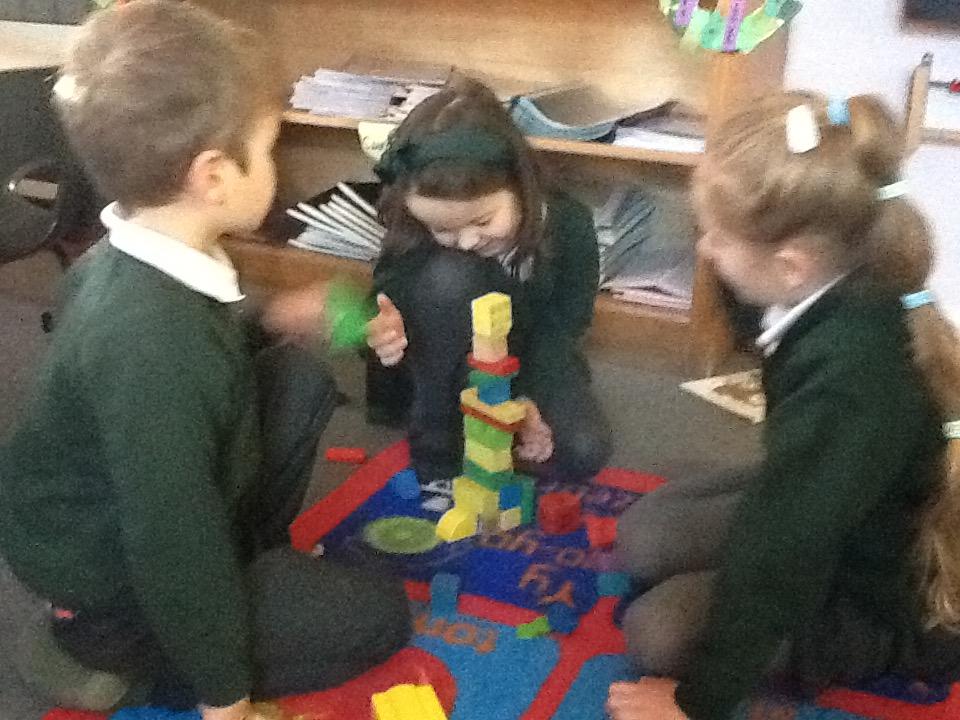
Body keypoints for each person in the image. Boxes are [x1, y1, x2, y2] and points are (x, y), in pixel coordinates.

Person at [0, 3, 410, 718]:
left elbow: (194, 350)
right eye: (269, 147)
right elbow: (171, 537)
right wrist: (227, 698)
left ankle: (243, 571)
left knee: (295, 378)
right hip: (117, 584)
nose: (275, 165)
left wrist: (274, 316)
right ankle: (98, 652)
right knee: (378, 617)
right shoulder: (149, 344)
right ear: (214, 175)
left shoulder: (132, 256)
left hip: (125, 512)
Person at [607, 93, 960, 720]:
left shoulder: (850, 379)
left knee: (655, 631)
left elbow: (782, 546)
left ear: (791, 265)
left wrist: (700, 701)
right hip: (839, 500)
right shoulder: (828, 280)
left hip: (879, 591)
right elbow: (790, 504)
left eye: (716, 237)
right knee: (643, 538)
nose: (704, 250)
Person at [367, 77, 612, 486]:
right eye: (442, 229)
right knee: (450, 276)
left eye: (482, 221)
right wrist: (381, 330)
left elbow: (566, 325)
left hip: (528, 351)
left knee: (583, 450)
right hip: (441, 364)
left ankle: (497, 431)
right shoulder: (416, 230)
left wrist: (523, 396)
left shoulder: (569, 222)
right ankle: (440, 451)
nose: (467, 241)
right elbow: (384, 298)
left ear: (520, 184)